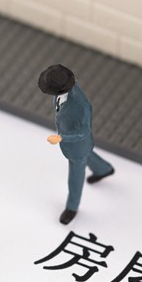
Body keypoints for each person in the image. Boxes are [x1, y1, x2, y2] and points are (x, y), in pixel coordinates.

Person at [37, 64, 114, 224]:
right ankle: (104, 169)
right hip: (79, 147)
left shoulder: (82, 106)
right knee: (88, 155)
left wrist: (61, 138)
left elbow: (84, 132)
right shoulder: (62, 89)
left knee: (75, 177)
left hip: (77, 146)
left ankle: (72, 207)